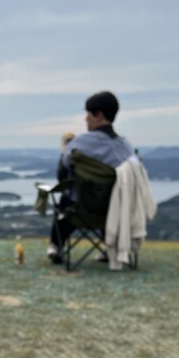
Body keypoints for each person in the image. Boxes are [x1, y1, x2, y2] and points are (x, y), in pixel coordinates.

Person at [48, 91, 136, 263]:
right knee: (106, 197)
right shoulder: (127, 148)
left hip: (80, 210)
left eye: (88, 113)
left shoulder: (79, 144)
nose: (85, 118)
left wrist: (65, 151)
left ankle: (55, 246)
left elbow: (61, 176)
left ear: (99, 115)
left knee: (67, 200)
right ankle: (112, 248)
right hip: (117, 210)